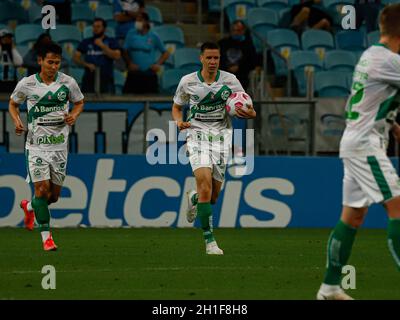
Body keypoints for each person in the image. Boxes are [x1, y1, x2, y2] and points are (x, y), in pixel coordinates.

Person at [316, 3, 400, 300]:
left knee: (352, 216)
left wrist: (391, 123)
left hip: (358, 140)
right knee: (398, 208)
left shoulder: (370, 55)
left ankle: (329, 288)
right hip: (364, 145)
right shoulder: (389, 61)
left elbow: (372, 101)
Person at [172, 42, 256, 255]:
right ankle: (210, 241)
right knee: (205, 185)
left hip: (221, 139)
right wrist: (179, 122)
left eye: (216, 58)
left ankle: (193, 199)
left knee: (212, 197)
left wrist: (250, 113)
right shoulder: (188, 81)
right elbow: (176, 106)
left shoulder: (230, 81)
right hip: (196, 136)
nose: (212, 62)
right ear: (201, 58)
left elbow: (245, 104)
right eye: (208, 58)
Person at [8, 42, 84, 251]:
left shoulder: (68, 83)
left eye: (57, 62)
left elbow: (79, 102)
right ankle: (47, 238)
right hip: (36, 147)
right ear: (40, 61)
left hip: (60, 147)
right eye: (50, 62)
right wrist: (17, 121)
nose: (53, 66)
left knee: (52, 197)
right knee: (41, 190)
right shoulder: (27, 84)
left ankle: (29, 206)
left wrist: (74, 115)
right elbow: (13, 104)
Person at [122, 12, 169, 94]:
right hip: (134, 74)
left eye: (140, 20)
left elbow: (165, 53)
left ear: (146, 22)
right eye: (136, 20)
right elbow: (124, 51)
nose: (137, 22)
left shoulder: (154, 36)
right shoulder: (131, 33)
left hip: (149, 74)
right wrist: (129, 63)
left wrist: (157, 64)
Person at [73, 18, 121, 94]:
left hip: (106, 77)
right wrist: (86, 64)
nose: (95, 29)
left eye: (98, 26)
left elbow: (117, 56)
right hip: (89, 77)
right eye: (94, 26)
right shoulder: (86, 41)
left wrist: (102, 46)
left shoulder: (111, 41)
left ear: (104, 29)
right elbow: (76, 57)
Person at [218, 20, 257, 90]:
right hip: (225, 75)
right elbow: (219, 59)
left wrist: (239, 67)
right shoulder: (223, 44)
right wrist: (228, 67)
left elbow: (252, 63)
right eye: (233, 30)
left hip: (242, 76)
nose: (235, 33)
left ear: (243, 31)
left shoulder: (249, 46)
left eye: (238, 30)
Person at [0, 28, 23, 93]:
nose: (7, 40)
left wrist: (12, 47)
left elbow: (19, 62)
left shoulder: (12, 51)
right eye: (4, 38)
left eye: (9, 38)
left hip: (11, 82)